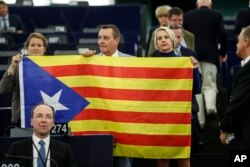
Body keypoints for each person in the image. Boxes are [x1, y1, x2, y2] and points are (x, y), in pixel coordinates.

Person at [81, 24, 133, 167]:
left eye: (105, 38)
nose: (101, 41)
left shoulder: (132, 62)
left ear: (116, 40)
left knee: (123, 163)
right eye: (99, 38)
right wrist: (83, 61)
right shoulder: (90, 61)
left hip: (123, 124)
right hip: (99, 123)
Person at [152, 26, 200, 167]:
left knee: (184, 159)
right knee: (162, 159)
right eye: (159, 38)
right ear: (155, 43)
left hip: (182, 116)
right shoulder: (150, 64)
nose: (163, 40)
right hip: (160, 118)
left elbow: (196, 89)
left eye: (166, 37)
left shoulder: (186, 61)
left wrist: (195, 70)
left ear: (173, 40)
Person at [183, 0, 227, 125]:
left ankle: (200, 120)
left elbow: (184, 36)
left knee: (196, 88)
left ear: (197, 4)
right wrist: (222, 53)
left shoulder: (188, 15)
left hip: (192, 56)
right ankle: (211, 106)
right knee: (210, 83)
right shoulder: (217, 15)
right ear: (211, 4)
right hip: (211, 55)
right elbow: (223, 34)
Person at [6, 103, 78, 167]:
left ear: (53, 122)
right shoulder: (16, 148)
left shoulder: (64, 149)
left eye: (48, 117)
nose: (44, 120)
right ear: (31, 121)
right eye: (39, 116)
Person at [0, 32, 48, 127]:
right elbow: (3, 89)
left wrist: (85, 58)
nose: (35, 48)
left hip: (46, 118)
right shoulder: (19, 66)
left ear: (44, 49)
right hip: (21, 118)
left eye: (39, 45)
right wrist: (12, 66)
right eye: (32, 45)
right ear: (27, 48)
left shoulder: (53, 67)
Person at [219, 25, 250, 151]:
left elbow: (238, 103)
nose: (236, 45)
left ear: (246, 42)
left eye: (238, 41)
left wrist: (225, 127)